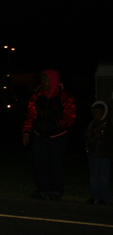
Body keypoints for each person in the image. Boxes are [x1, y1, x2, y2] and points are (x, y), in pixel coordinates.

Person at [22, 69, 76, 200]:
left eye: (46, 79)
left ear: (53, 80)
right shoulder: (37, 96)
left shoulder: (64, 96)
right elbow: (30, 115)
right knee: (39, 164)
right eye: (42, 79)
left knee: (56, 164)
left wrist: (57, 125)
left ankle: (56, 190)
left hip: (57, 137)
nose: (43, 82)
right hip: (39, 135)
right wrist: (26, 132)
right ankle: (40, 189)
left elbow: (70, 116)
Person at [84, 101, 111, 205]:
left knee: (103, 177)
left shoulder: (107, 126)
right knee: (94, 177)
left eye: (97, 113)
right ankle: (93, 196)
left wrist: (100, 136)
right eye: (93, 113)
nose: (95, 115)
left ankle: (103, 198)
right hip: (93, 155)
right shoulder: (91, 125)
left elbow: (109, 140)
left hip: (104, 155)